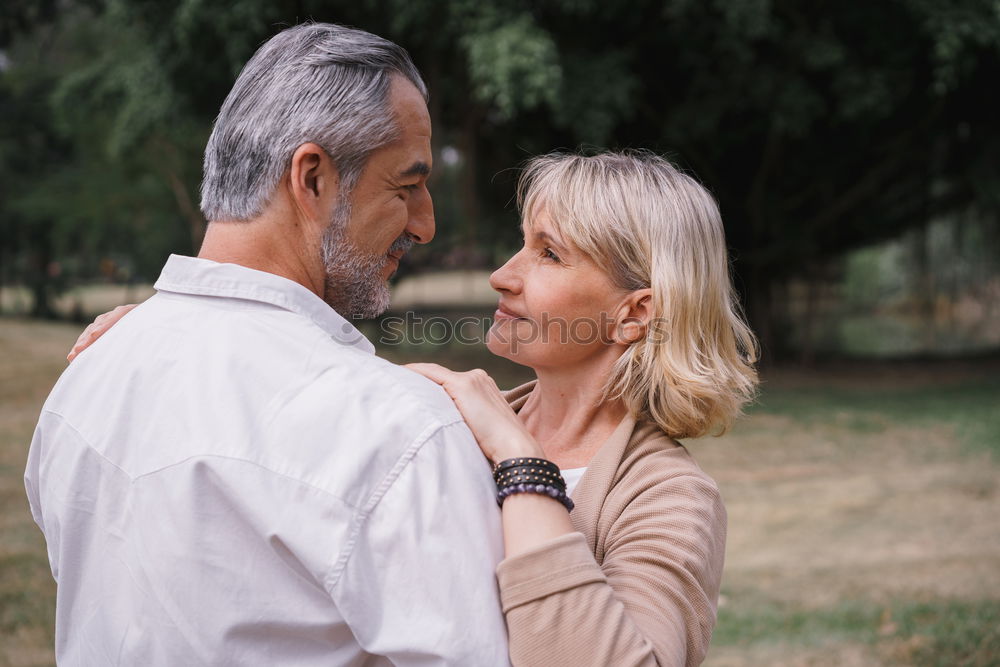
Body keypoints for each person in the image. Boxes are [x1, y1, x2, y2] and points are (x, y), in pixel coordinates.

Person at [70, 151, 759, 666]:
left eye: (548, 253)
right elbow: (294, 399)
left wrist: (522, 462)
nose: (503, 273)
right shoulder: (447, 416)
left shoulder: (670, 496)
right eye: (522, 241)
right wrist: (179, 333)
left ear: (634, 313)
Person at [25, 23, 510, 666]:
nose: (425, 224)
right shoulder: (397, 432)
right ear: (312, 179)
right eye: (406, 185)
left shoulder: (86, 380)